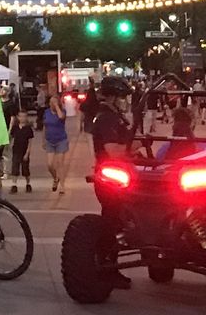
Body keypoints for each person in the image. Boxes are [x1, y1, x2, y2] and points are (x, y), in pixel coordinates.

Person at [87, 76, 134, 289]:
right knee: (112, 223)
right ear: (113, 97)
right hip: (112, 179)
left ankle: (109, 266)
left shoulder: (114, 116)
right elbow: (113, 150)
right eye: (122, 97)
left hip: (116, 177)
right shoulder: (107, 118)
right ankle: (107, 267)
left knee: (117, 220)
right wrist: (136, 150)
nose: (125, 101)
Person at [39, 93, 70, 193]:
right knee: (50, 165)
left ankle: (62, 186)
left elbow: (61, 117)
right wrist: (43, 140)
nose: (52, 104)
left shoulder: (62, 112)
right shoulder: (46, 112)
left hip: (61, 140)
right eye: (51, 102)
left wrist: (57, 107)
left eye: (54, 102)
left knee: (60, 163)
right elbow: (45, 126)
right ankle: (55, 178)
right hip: (49, 140)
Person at [8, 109, 34, 194]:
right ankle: (14, 185)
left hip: (24, 151)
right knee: (15, 167)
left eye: (24, 116)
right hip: (16, 150)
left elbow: (30, 142)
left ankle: (28, 183)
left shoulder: (28, 129)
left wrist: (27, 153)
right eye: (21, 116)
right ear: (18, 117)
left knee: (25, 169)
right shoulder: (15, 128)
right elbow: (12, 138)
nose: (22, 118)